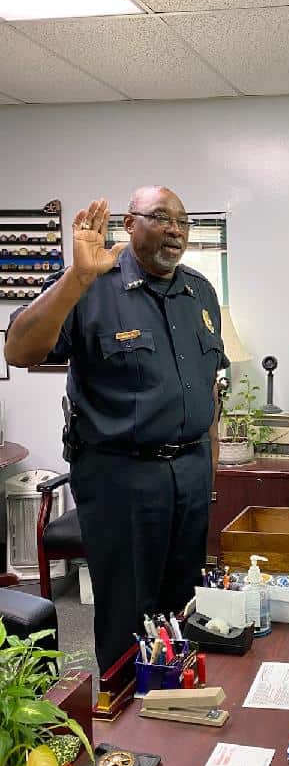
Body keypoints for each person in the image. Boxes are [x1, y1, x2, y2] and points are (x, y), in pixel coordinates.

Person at [5, 187, 228, 672]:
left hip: (189, 473)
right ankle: (126, 737)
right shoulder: (90, 287)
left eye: (184, 223)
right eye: (162, 218)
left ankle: (177, 712)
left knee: (184, 607)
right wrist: (76, 277)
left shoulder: (200, 291)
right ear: (129, 224)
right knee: (129, 612)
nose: (176, 230)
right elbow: (19, 351)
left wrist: (208, 475)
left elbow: (209, 388)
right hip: (121, 477)